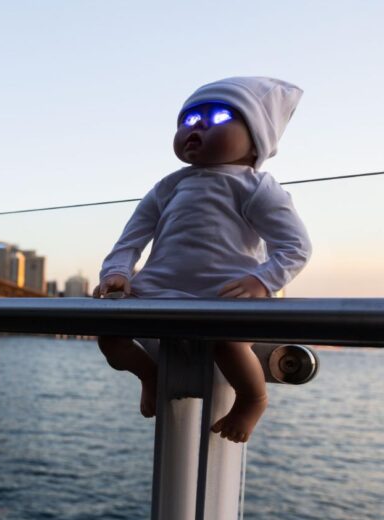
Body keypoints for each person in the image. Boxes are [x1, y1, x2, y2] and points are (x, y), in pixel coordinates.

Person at [93, 77, 312, 443]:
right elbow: (131, 238)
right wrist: (116, 272)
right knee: (110, 336)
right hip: (157, 289)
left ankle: (252, 398)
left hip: (223, 292)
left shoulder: (255, 186)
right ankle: (151, 375)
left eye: (219, 117)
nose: (196, 129)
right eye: (188, 121)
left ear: (256, 136)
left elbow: (295, 246)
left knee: (226, 343)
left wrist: (262, 281)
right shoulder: (168, 186)